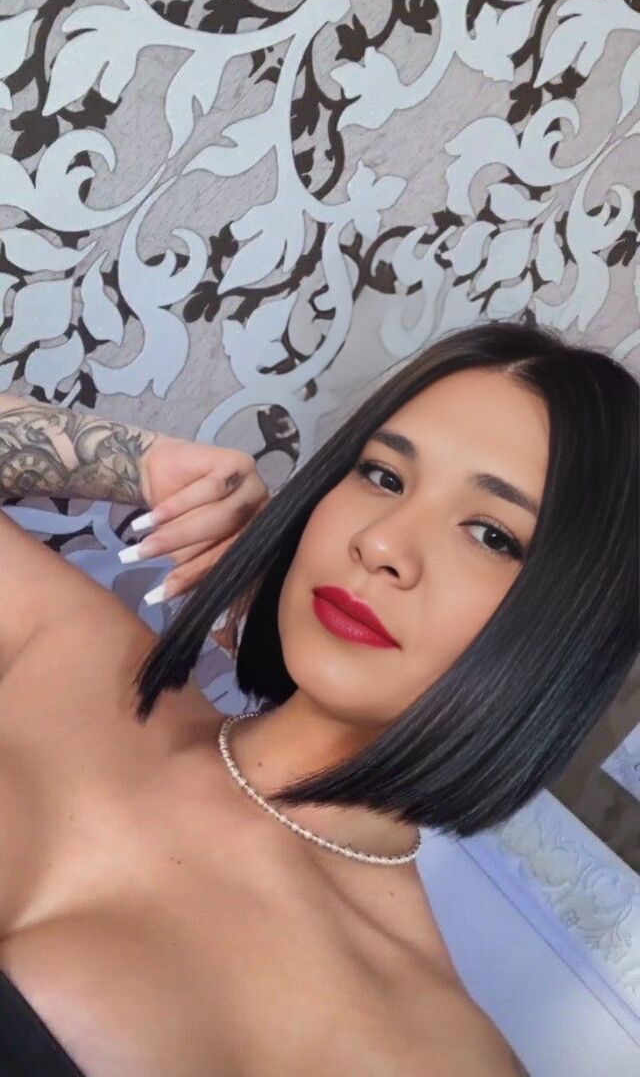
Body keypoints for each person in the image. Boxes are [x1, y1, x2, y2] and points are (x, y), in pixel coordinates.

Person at [0, 321, 636, 1076]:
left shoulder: (432, 1053)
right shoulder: (74, 646)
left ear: (570, 636)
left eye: (491, 535)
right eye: (384, 476)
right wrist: (144, 465)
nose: (382, 543)